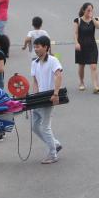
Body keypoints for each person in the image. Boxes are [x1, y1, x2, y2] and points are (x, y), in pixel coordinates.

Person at [30, 36, 64, 164]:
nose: (36, 49)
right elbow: (35, 81)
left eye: (38, 47)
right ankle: (55, 144)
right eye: (34, 47)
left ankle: (53, 154)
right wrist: (34, 97)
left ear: (46, 47)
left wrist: (56, 93)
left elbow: (58, 76)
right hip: (39, 98)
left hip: (49, 97)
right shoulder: (34, 63)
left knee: (45, 127)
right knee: (35, 126)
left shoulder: (53, 60)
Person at [73, 3, 99, 93]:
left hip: (92, 46)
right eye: (88, 10)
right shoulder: (78, 20)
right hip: (81, 46)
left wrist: (92, 18)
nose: (90, 12)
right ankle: (81, 82)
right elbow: (75, 33)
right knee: (82, 65)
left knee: (94, 66)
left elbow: (98, 27)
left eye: (91, 10)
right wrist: (76, 43)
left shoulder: (94, 20)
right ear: (83, 10)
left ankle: (96, 86)